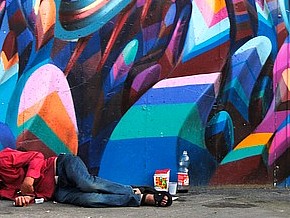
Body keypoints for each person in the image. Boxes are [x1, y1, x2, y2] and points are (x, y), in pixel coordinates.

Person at [0, 148, 172, 207]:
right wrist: (23, 199)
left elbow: (36, 156)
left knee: (86, 183)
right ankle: (139, 198)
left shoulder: (3, 158)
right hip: (58, 192)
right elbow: (30, 196)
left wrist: (28, 179)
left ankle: (131, 189)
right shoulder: (2, 190)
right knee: (90, 200)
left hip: (60, 166)